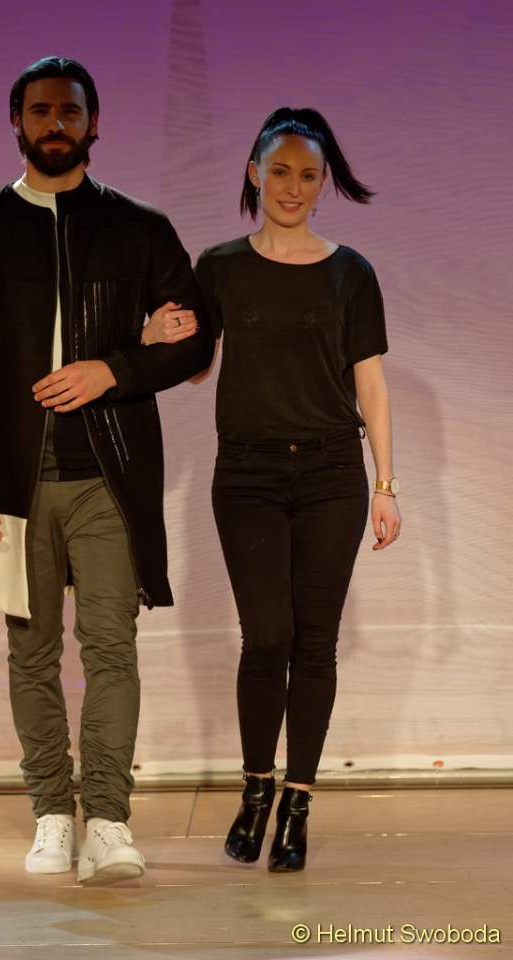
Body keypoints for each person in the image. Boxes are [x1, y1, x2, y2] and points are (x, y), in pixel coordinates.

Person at [0, 56, 213, 884]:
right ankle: (52, 813)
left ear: (94, 124)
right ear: (16, 122)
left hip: (108, 477)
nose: (57, 123)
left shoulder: (137, 227)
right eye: (42, 110)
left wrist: (111, 368)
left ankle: (108, 821)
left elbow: (195, 340)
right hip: (9, 483)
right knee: (30, 654)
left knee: (112, 647)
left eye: (71, 111)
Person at [144, 106, 401, 872]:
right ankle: (255, 788)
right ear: (254, 172)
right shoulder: (220, 265)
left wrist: (385, 484)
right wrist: (155, 338)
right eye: (280, 170)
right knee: (266, 638)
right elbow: (196, 366)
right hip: (248, 474)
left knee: (315, 642)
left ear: (323, 184)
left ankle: (297, 802)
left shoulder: (351, 272)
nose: (292, 186)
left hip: (331, 474)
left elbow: (370, 384)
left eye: (307, 174)